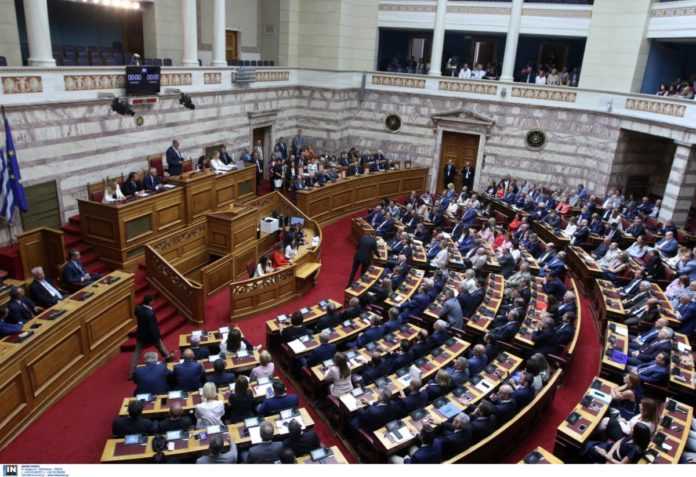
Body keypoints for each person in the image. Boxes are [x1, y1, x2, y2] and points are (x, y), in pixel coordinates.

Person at [128, 295, 171, 379]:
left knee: (137, 353)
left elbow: (136, 311)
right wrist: (157, 336)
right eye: (152, 301)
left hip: (141, 334)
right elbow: (152, 327)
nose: (154, 302)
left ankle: (132, 373)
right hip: (151, 335)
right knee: (160, 344)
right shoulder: (150, 314)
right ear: (150, 302)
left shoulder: (138, 309)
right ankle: (167, 357)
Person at [584, 422, 651, 463]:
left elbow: (621, 465)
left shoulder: (635, 449)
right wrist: (610, 453)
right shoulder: (632, 436)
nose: (631, 429)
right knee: (589, 444)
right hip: (610, 450)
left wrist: (605, 455)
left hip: (612, 460)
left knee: (589, 448)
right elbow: (620, 441)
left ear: (637, 434)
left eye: (633, 429)